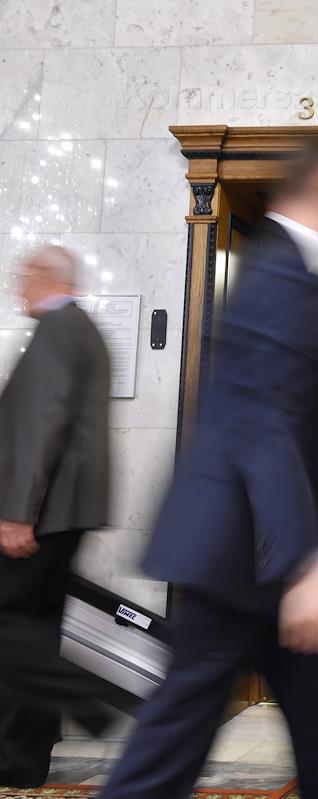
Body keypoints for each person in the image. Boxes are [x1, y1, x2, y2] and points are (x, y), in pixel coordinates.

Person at [98, 135, 318, 799]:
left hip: (255, 557)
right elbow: (263, 422)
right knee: (170, 749)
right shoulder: (282, 270)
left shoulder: (293, 268)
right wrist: (305, 562)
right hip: (241, 559)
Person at [0, 245, 116, 788]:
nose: (18, 285)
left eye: (25, 276)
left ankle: (88, 702)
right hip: (65, 511)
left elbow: (38, 426)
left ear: (48, 276)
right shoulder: (82, 329)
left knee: (10, 625)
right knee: (34, 628)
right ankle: (24, 758)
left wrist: (16, 513)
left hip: (44, 512)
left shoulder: (58, 328)